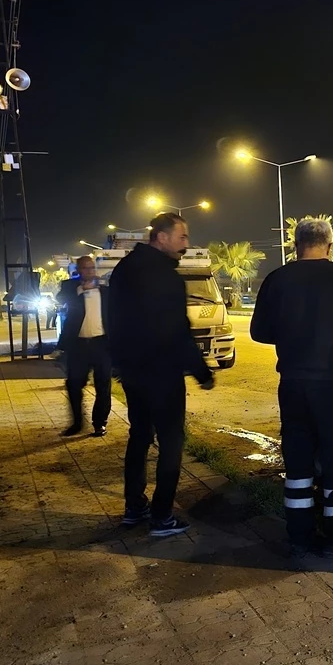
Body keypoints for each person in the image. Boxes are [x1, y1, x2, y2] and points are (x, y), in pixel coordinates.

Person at [250, 217, 333, 559]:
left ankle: (300, 538)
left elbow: (258, 333)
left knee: (297, 465)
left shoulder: (277, 279)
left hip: (293, 384)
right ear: (329, 245)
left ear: (295, 245)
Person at [108, 213, 215, 537]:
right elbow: (178, 331)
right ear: (162, 237)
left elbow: (113, 320)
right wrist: (201, 371)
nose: (186, 244)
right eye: (182, 237)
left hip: (133, 373)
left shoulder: (123, 270)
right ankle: (162, 516)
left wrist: (120, 363)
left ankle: (134, 506)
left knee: (139, 436)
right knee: (171, 442)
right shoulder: (166, 277)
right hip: (162, 374)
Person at [57, 255, 112, 437]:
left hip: (101, 343)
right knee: (74, 384)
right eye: (85, 268)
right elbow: (60, 298)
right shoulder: (70, 288)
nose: (90, 271)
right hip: (78, 345)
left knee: (103, 385)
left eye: (91, 267)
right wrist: (81, 289)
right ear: (78, 271)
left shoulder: (105, 291)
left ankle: (99, 423)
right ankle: (77, 423)